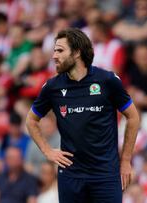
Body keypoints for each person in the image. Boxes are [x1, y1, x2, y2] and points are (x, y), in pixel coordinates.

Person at [25, 28, 140, 202]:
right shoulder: (52, 87)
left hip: (105, 174)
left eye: (60, 50)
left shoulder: (107, 80)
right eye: (54, 50)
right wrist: (47, 151)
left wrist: (125, 161)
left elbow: (133, 117)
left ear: (77, 52)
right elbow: (31, 120)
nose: (54, 56)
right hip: (71, 176)